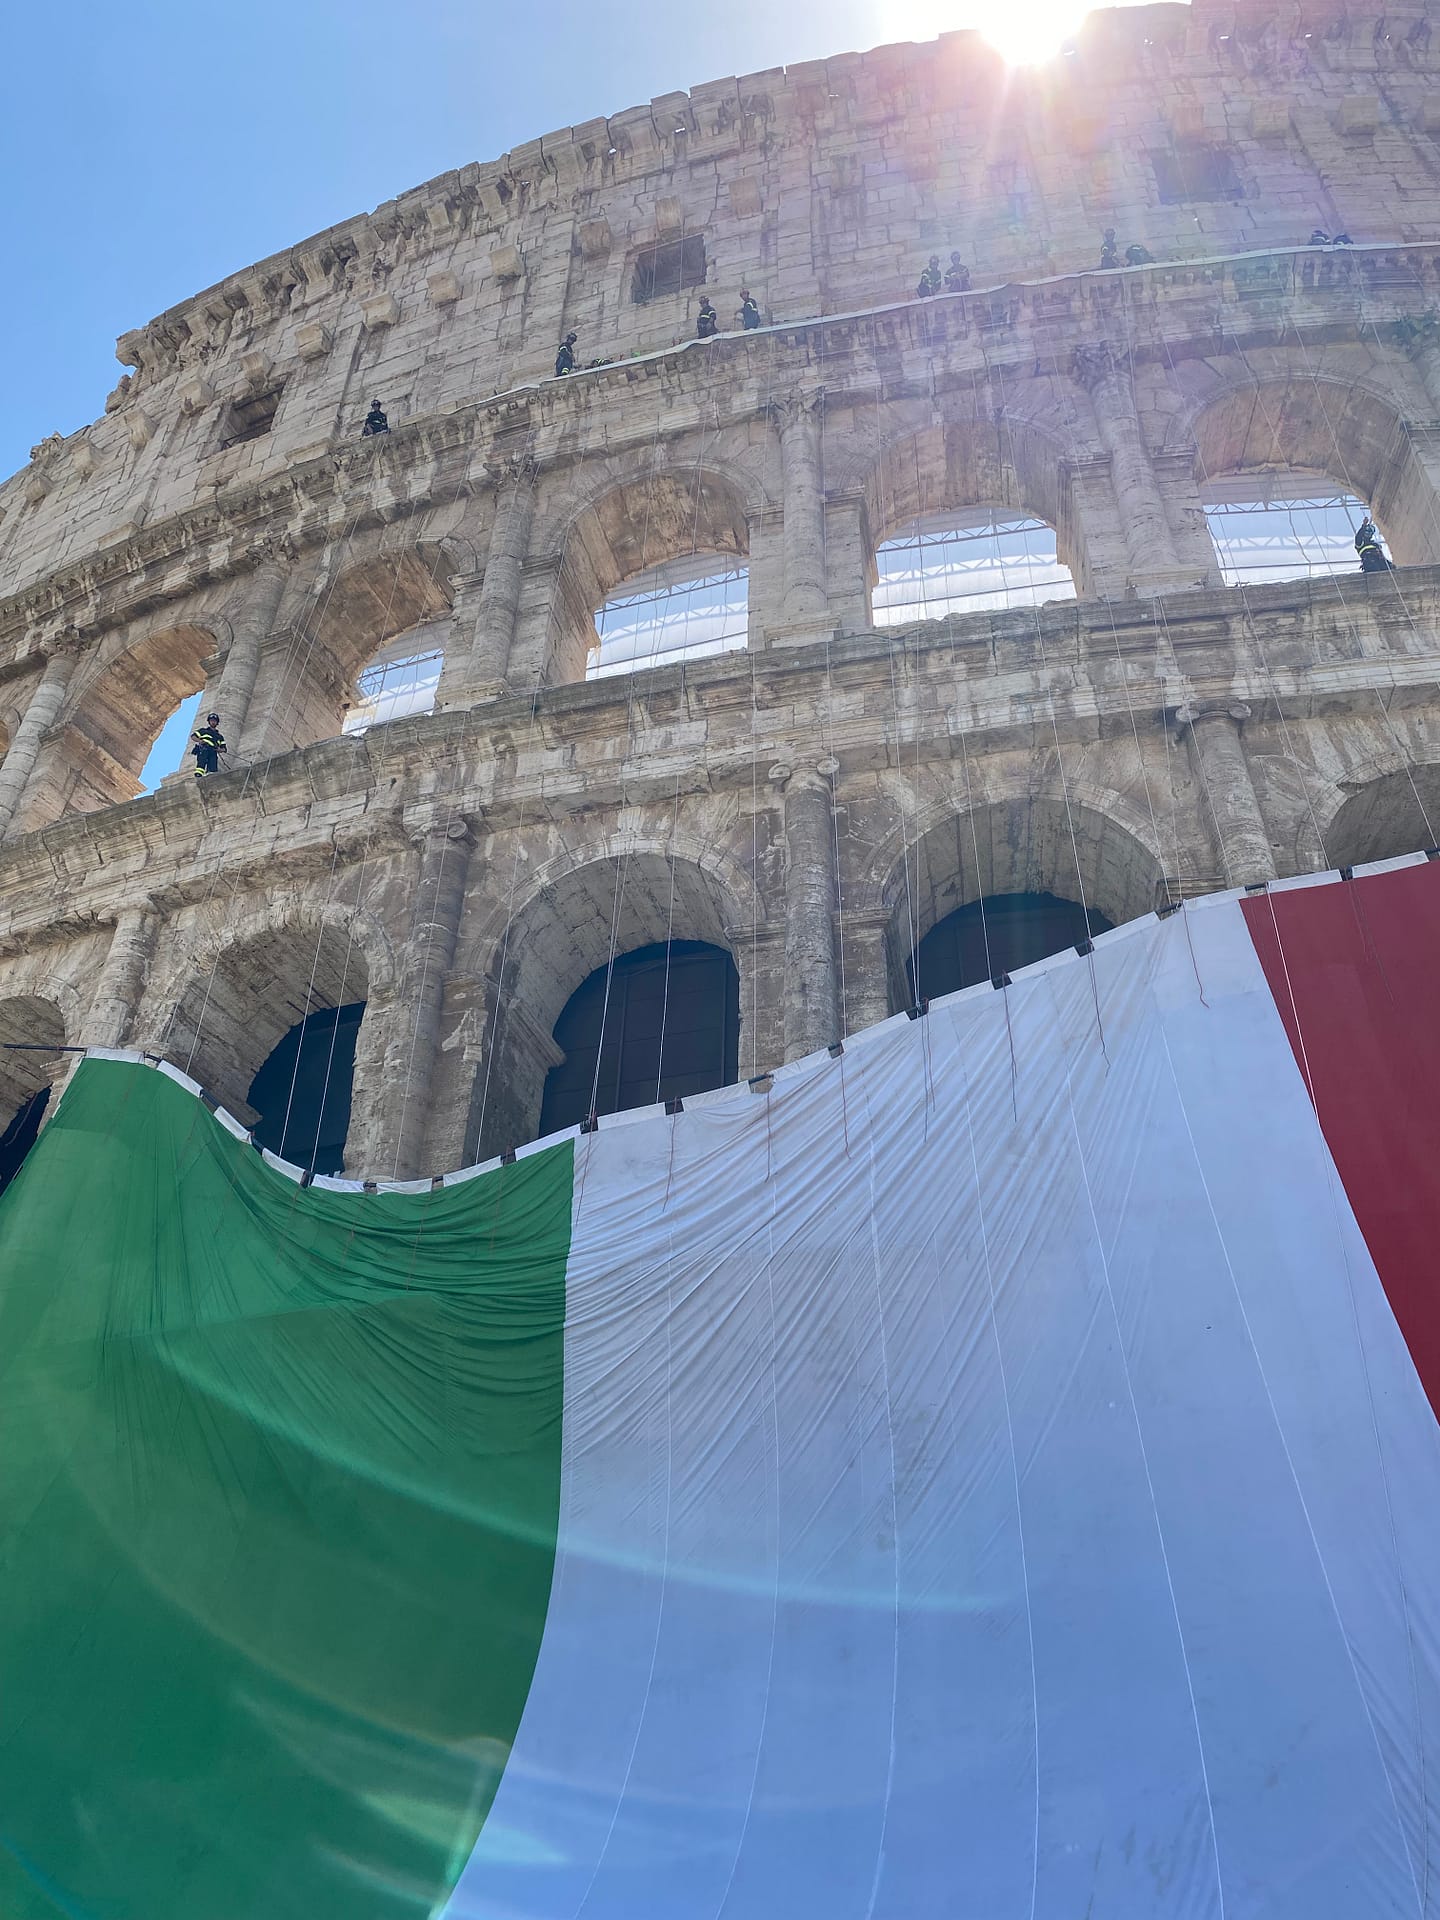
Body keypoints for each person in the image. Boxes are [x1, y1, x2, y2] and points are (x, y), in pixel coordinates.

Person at [190, 712, 227, 780]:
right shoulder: (203, 731)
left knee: (213, 766)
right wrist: (199, 741)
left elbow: (224, 749)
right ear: (209, 722)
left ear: (217, 723)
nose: (213, 722)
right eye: (211, 720)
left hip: (213, 751)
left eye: (214, 721)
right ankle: (198, 775)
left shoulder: (219, 736)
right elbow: (193, 736)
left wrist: (220, 749)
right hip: (204, 748)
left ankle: (212, 777)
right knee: (201, 762)